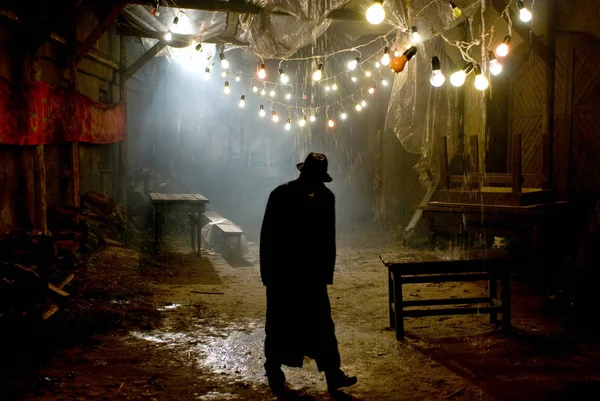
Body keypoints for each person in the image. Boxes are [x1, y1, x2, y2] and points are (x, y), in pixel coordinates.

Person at [259, 152, 357, 394]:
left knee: (321, 325)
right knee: (280, 323)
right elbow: (269, 236)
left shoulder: (324, 197)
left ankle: (333, 374)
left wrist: (326, 273)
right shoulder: (282, 194)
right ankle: (273, 370)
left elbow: (327, 239)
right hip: (285, 274)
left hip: (310, 275)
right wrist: (268, 272)